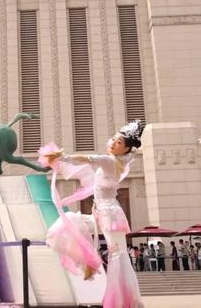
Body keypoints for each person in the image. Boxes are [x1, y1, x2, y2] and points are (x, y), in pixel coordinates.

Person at [41, 120, 145, 307]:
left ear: (126, 149)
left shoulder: (110, 161)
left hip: (110, 213)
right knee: (71, 222)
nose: (113, 143)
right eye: (113, 139)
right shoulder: (118, 161)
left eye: (119, 142)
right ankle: (89, 263)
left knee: (118, 255)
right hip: (102, 212)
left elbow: (89, 158)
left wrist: (63, 157)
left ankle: (124, 300)